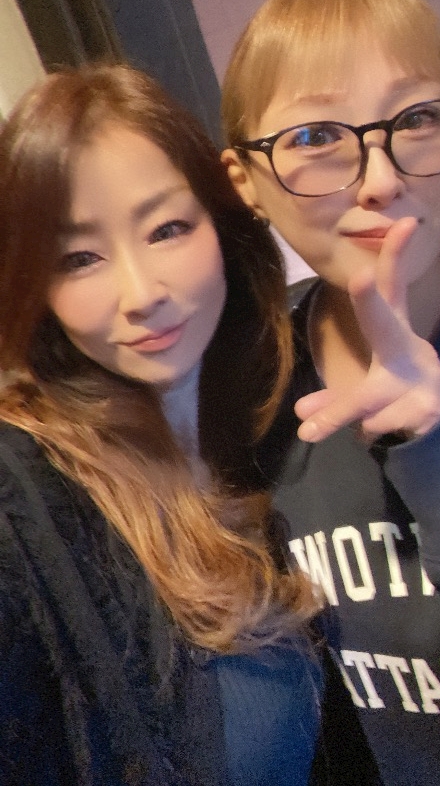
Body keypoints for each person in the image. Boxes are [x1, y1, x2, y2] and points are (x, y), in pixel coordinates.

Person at [221, 0, 440, 784]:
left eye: (416, 118)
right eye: (316, 138)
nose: (383, 179)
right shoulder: (245, 386)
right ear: (246, 182)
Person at [0, 62, 379, 785]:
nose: (141, 293)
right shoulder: (23, 506)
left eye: (167, 229)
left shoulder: (269, 428)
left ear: (224, 228)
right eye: (79, 257)